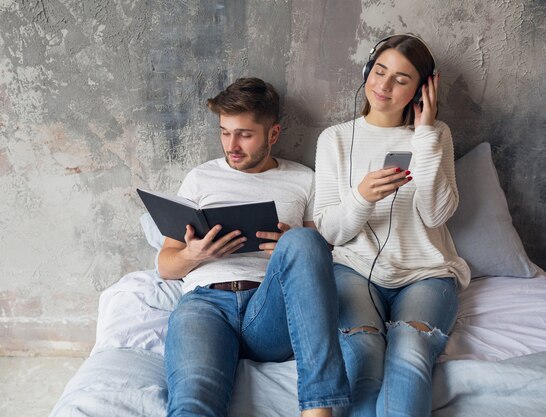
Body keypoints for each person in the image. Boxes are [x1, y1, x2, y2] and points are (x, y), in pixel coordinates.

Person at [159, 77, 350, 417]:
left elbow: (324, 258)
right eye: (224, 132)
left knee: (305, 240)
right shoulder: (199, 179)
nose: (231, 145)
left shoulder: (304, 179)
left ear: (273, 134)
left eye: (244, 135)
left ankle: (319, 411)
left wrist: (289, 250)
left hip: (270, 310)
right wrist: (195, 254)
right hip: (206, 304)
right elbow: (165, 265)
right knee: (192, 402)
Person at [314, 34, 471, 417]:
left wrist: (426, 134)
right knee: (364, 354)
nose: (383, 86)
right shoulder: (334, 139)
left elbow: (436, 215)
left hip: (426, 274)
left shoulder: (437, 136)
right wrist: (363, 196)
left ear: (422, 88)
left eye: (401, 79)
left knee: (411, 350)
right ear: (367, 70)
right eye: (379, 71)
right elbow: (330, 232)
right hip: (354, 271)